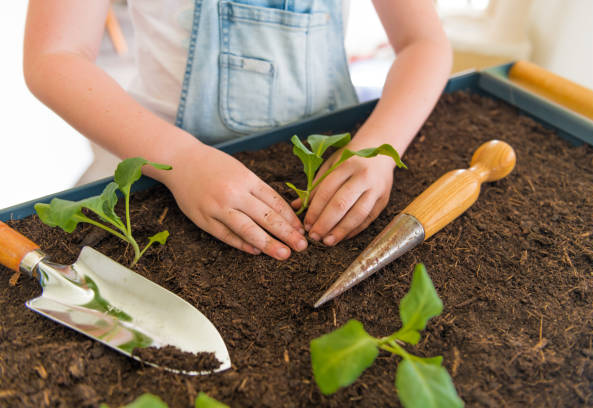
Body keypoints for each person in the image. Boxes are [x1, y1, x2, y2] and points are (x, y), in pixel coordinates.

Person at [23, 0, 452, 261]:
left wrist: (378, 148)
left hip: (334, 162)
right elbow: (55, 56)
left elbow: (424, 42)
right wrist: (182, 160)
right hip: (156, 152)